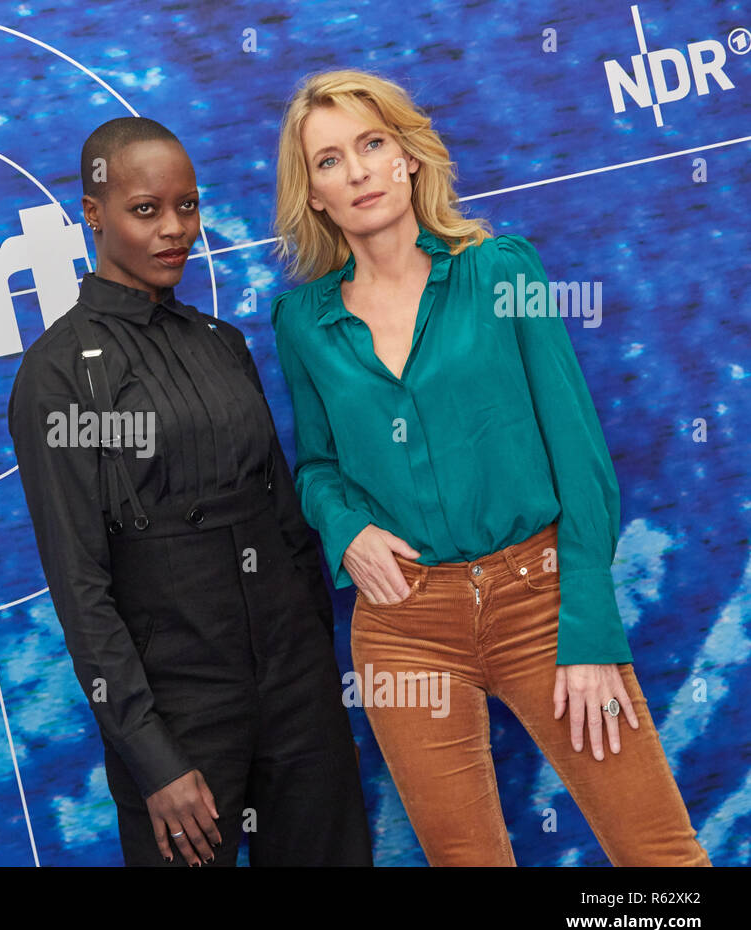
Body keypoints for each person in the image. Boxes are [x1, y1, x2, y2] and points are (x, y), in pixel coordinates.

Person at [269, 68, 710, 866]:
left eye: (372, 144)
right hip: (405, 627)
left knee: (660, 863)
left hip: (542, 602)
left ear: (409, 157)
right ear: (316, 196)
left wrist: (588, 631)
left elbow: (581, 461)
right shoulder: (303, 321)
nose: (359, 170)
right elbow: (317, 468)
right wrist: (345, 528)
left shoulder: (505, 273)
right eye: (330, 161)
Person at [7, 116, 372, 867]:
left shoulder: (222, 342)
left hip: (299, 692)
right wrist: (154, 760)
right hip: (178, 711)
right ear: (93, 213)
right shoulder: (57, 377)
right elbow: (80, 586)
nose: (176, 230)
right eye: (146, 210)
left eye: (188, 206)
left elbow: (283, 516)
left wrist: (310, 660)